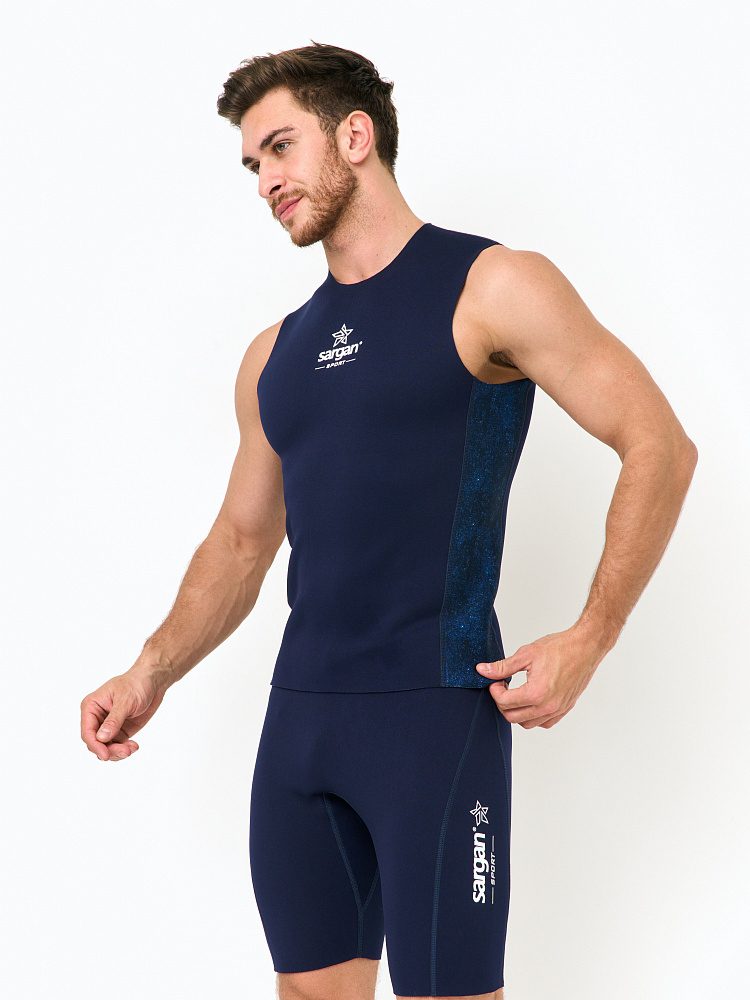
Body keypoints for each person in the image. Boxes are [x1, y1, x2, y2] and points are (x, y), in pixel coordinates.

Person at [79, 41, 698, 1000]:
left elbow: (659, 443)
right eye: (252, 163)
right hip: (301, 726)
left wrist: (592, 636)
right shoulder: (275, 355)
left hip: (433, 724)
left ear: (355, 136)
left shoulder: (491, 286)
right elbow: (241, 543)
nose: (265, 180)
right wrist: (148, 670)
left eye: (280, 147)